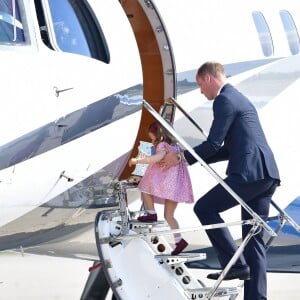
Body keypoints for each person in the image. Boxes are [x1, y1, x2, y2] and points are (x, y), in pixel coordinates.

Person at [162, 61, 280, 300]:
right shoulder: (239, 98)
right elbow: (227, 149)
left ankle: (234, 264)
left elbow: (214, 144)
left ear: (208, 78)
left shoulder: (224, 100)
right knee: (253, 240)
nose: (201, 91)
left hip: (249, 173)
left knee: (204, 208)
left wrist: (182, 157)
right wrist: (188, 158)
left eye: (200, 85)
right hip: (266, 175)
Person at [129, 121, 194, 255]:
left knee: (145, 187)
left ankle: (151, 214)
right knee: (169, 216)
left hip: (166, 184)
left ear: (158, 135)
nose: (151, 140)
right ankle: (179, 241)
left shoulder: (162, 146)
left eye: (152, 137)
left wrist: (137, 160)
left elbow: (156, 158)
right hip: (176, 187)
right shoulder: (175, 147)